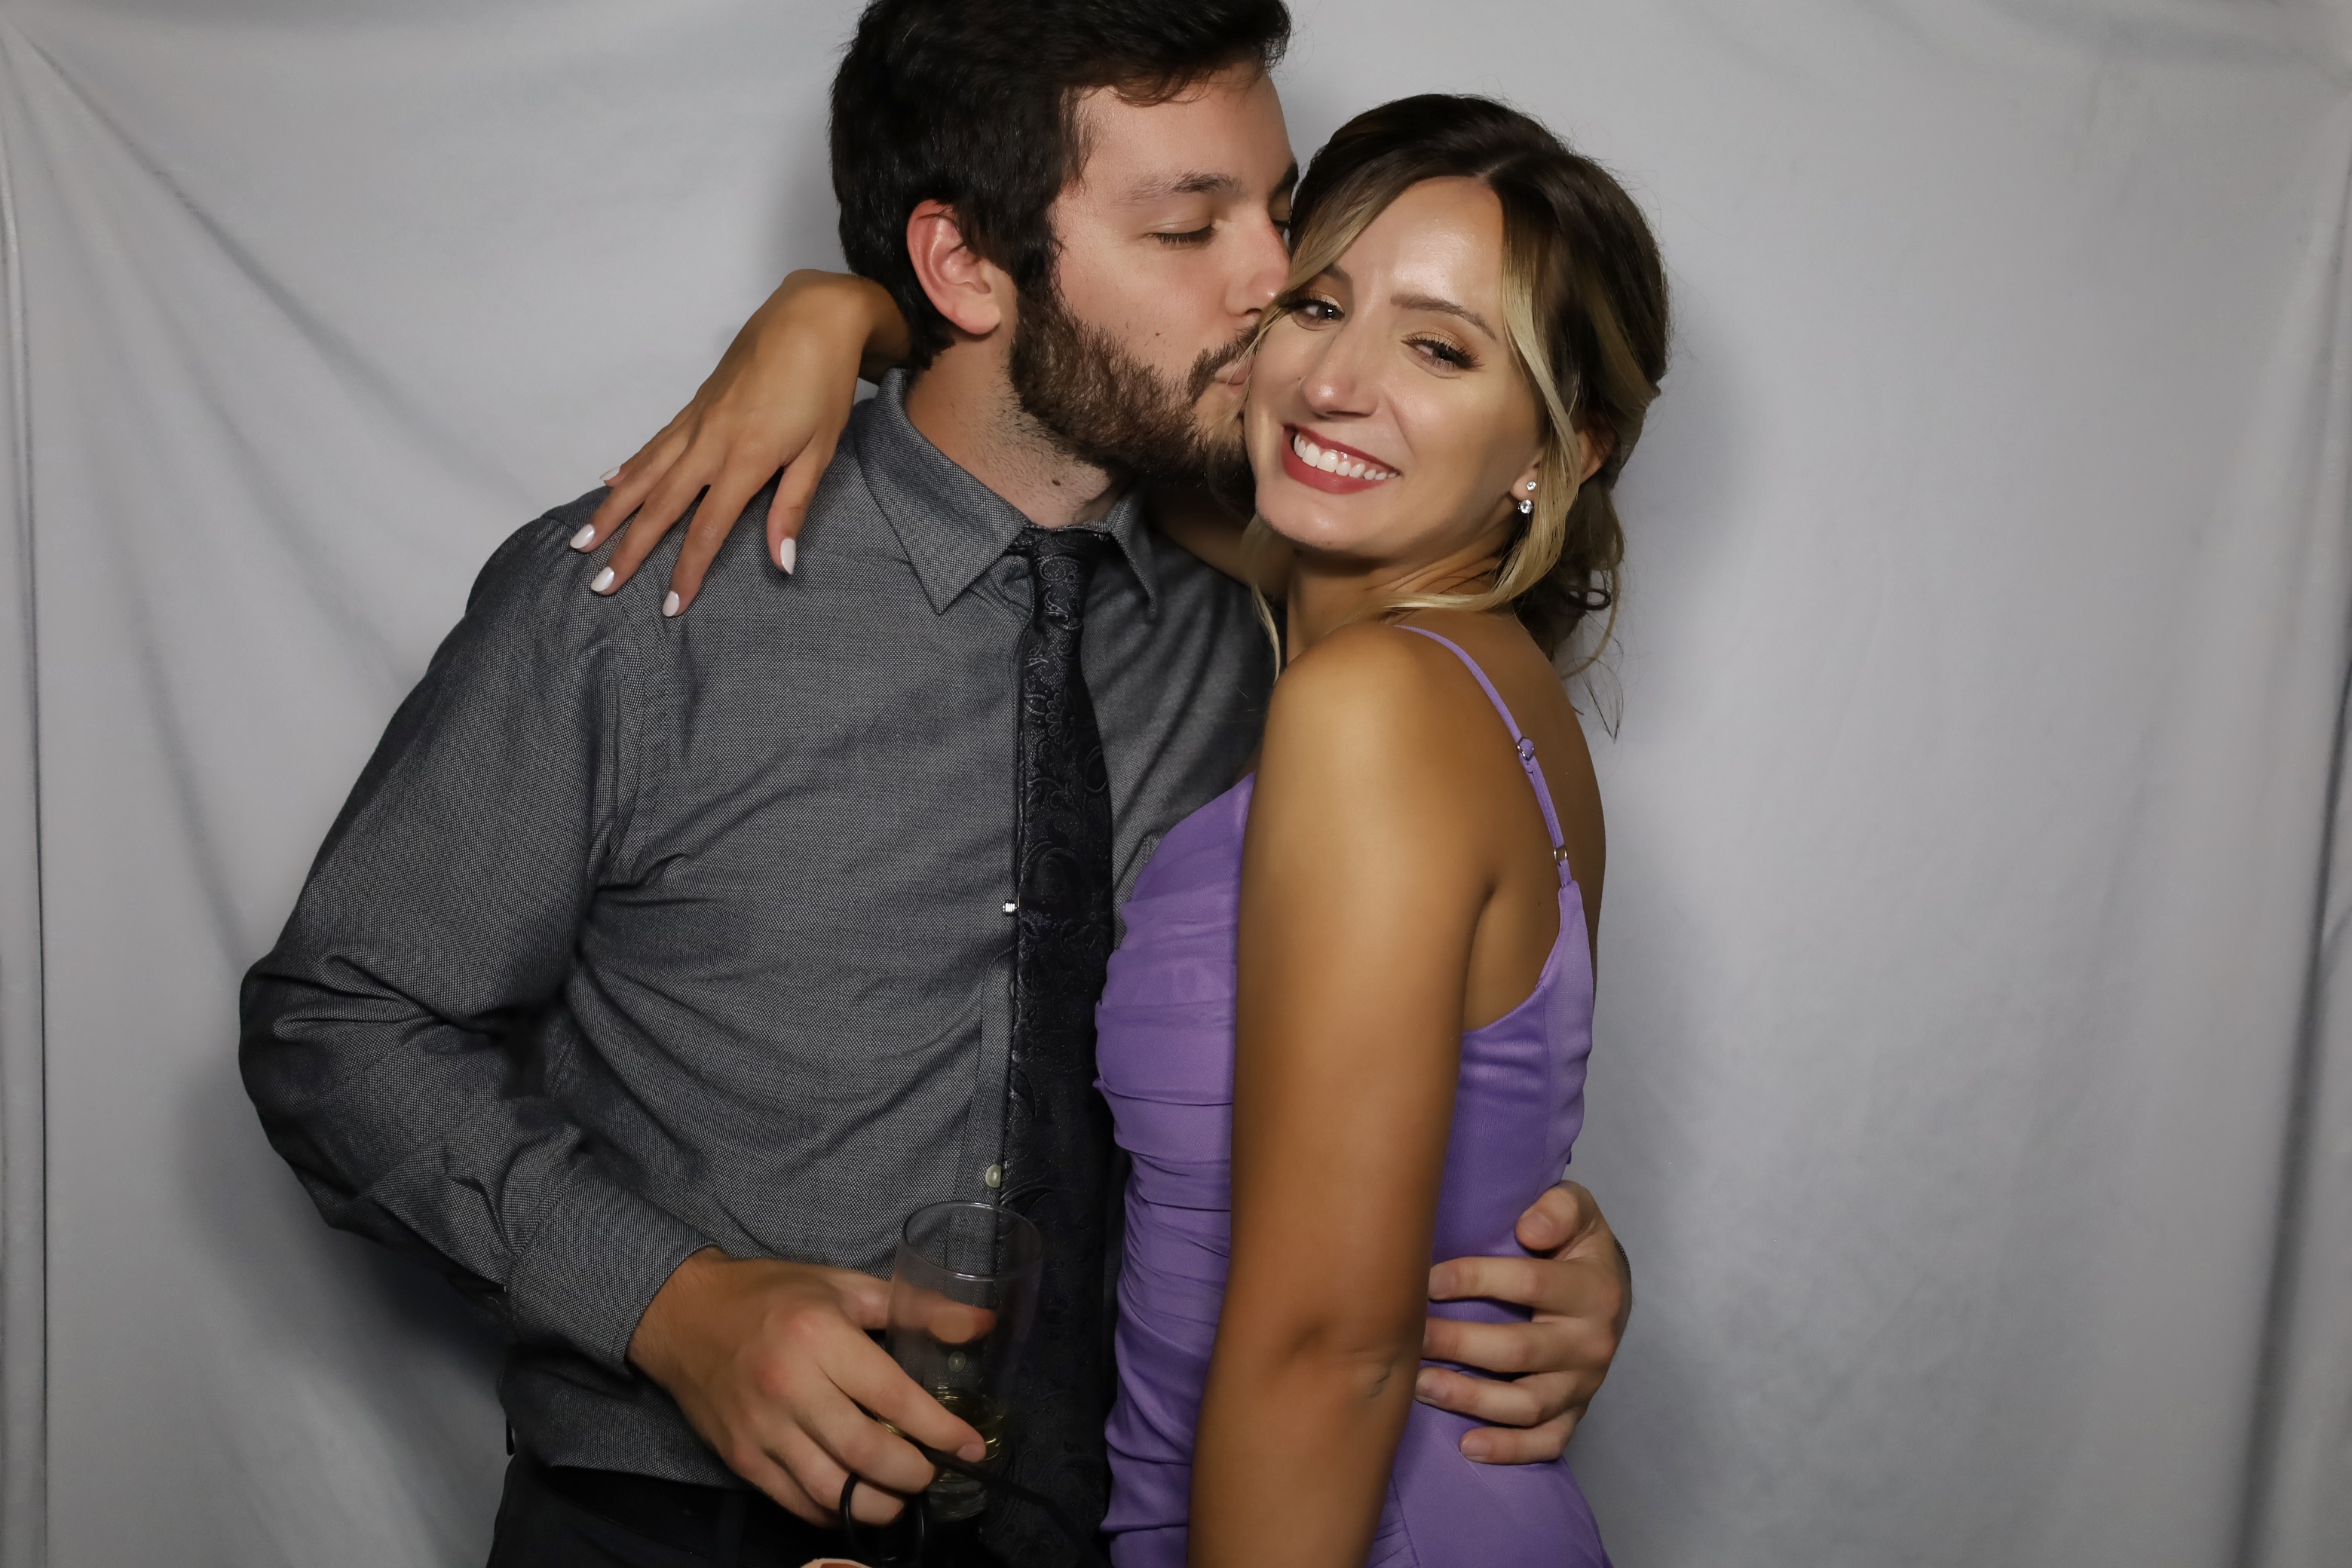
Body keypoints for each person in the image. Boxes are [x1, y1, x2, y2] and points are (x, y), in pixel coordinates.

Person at [239, 4, 1631, 1566]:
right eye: (1191, 227)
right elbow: (340, 1019)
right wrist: (671, 1303)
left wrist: (1510, 1245)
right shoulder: (651, 593)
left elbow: (1378, 1074)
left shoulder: (1267, 620)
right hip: (680, 1523)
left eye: (1280, 211)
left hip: (1103, 1524)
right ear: (964, 266)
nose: (1273, 282)